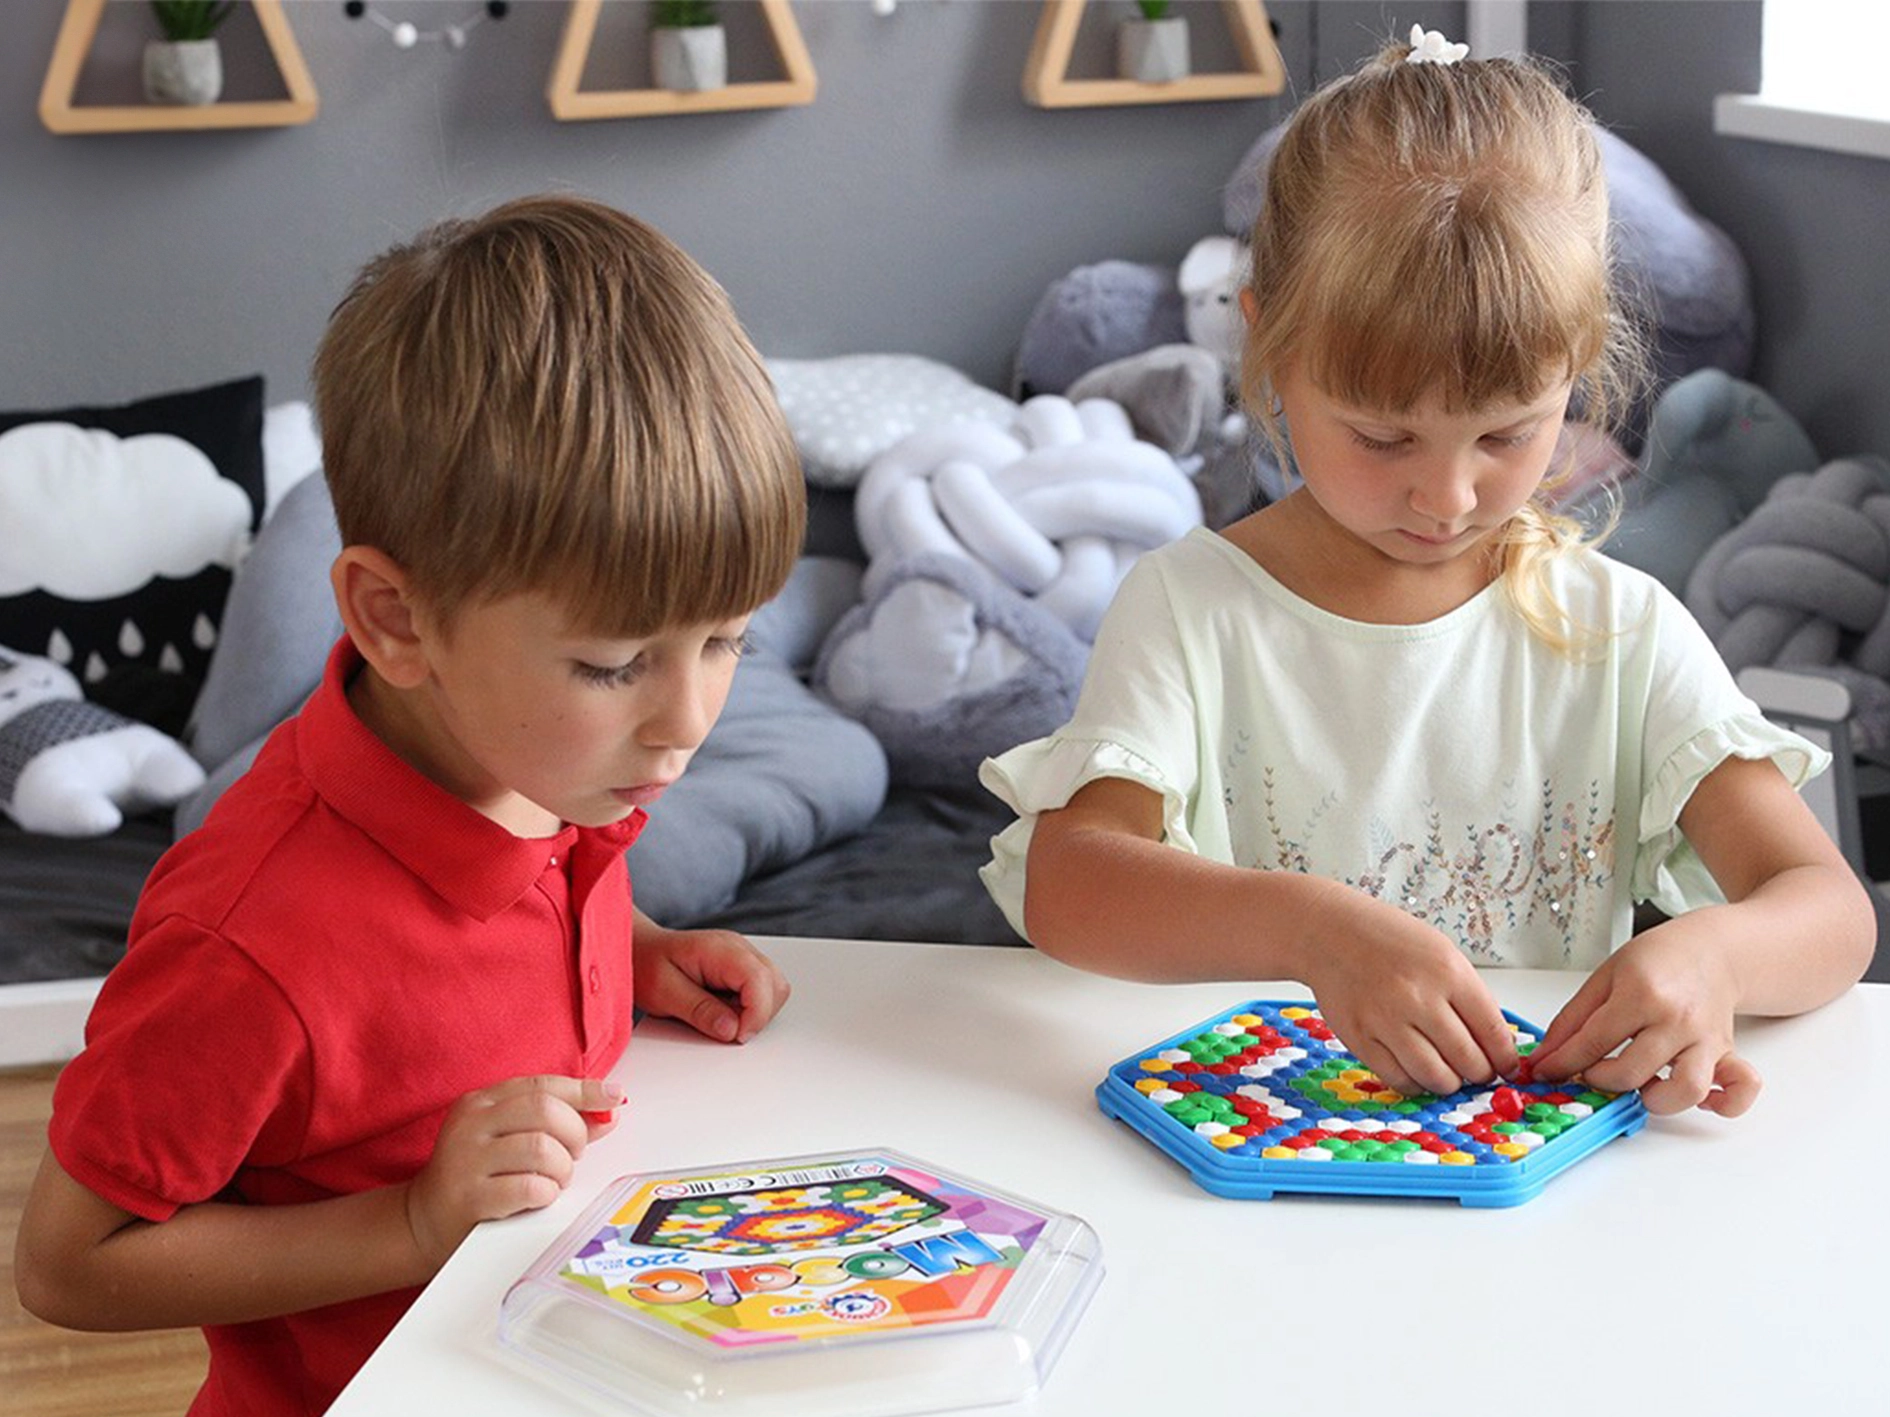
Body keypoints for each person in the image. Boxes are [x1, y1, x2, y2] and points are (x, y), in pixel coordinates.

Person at [980, 35, 1875, 1121]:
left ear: (1581, 366)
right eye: (1382, 437)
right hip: (1252, 1166)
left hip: (1531, 1182)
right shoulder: (1193, 609)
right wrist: (1309, 929)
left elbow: (1829, 911)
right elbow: (1069, 883)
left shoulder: (1622, 631)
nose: (1447, 497)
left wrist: (1714, 960)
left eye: (1507, 434)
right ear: (1268, 345)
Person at [14, 194, 805, 1414]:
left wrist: (638, 954)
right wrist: (412, 1219)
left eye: (728, 641)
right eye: (613, 663)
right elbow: (69, 1264)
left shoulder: (539, 761)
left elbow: (503, 934)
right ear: (395, 620)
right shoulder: (249, 946)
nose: (688, 720)